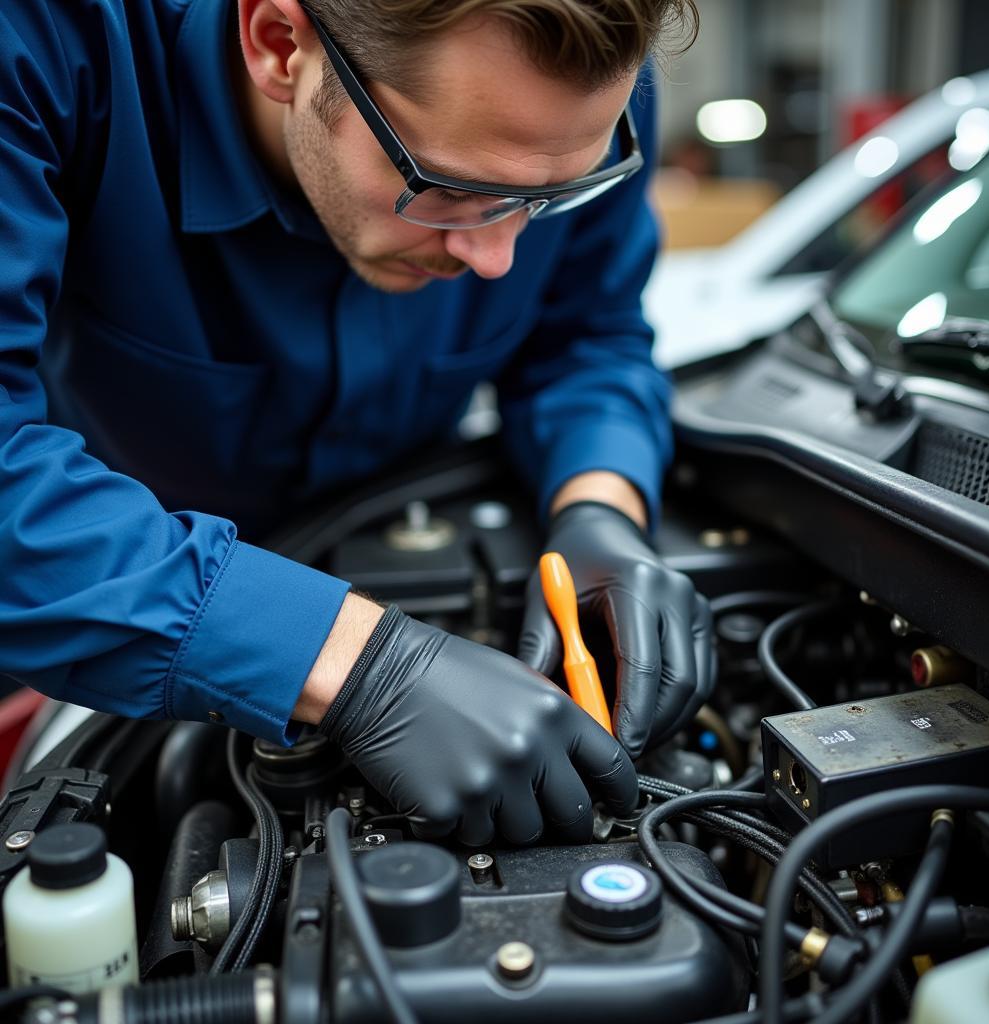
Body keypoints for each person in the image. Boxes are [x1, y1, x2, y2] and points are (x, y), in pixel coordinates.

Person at [0, 0, 713, 846]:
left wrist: (601, 508)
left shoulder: (577, 97)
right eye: (456, 188)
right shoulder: (44, 43)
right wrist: (365, 669)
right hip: (95, 626)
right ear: (277, 45)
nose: (498, 259)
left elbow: (586, 337)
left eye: (553, 198)